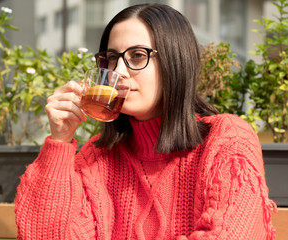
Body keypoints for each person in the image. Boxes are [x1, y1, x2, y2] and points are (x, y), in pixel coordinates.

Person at [15, 3, 277, 239]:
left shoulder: (227, 140)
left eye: (137, 56)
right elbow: (46, 234)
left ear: (175, 61)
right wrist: (60, 141)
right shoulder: (96, 157)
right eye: (113, 59)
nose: (117, 72)